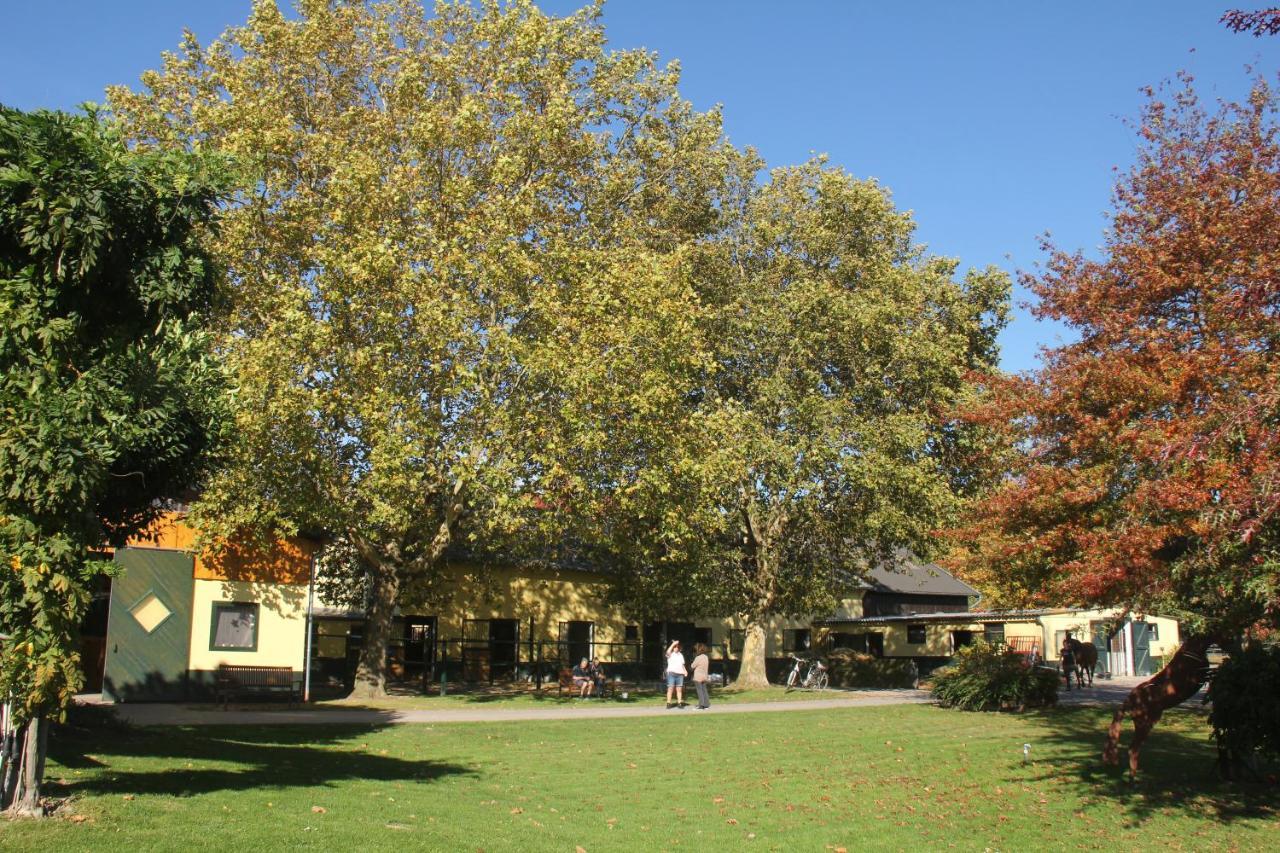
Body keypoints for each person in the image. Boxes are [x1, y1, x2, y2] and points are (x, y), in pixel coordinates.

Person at [664, 640, 687, 708]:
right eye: (675, 647)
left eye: (677, 647)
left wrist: (685, 671)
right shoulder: (670, 654)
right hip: (671, 674)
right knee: (670, 688)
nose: (676, 648)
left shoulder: (681, 655)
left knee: (679, 689)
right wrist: (673, 643)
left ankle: (679, 703)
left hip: (680, 674)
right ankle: (668, 703)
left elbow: (682, 664)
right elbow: (668, 651)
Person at [690, 643, 711, 710]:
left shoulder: (698, 658)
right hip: (704, 676)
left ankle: (701, 705)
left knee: (700, 691)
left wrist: (691, 663)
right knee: (704, 690)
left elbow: (692, 666)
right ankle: (706, 704)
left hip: (698, 676)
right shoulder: (706, 657)